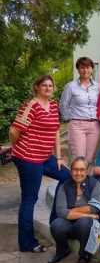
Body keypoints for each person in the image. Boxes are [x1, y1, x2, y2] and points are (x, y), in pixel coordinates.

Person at [10, 75, 71, 252]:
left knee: (67, 177)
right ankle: (27, 243)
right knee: (30, 199)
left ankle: (54, 220)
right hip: (28, 158)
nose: (48, 88)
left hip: (45, 157)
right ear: (36, 87)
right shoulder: (31, 105)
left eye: (50, 85)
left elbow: (56, 132)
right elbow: (14, 130)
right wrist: (21, 148)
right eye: (44, 85)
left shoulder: (52, 105)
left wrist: (59, 158)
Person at [48, 157, 100, 263]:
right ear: (70, 170)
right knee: (56, 224)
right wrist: (87, 214)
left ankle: (84, 255)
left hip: (87, 226)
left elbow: (95, 208)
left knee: (84, 222)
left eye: (82, 169)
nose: (78, 173)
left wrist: (71, 210)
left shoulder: (95, 184)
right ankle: (62, 250)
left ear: (87, 170)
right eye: (75, 169)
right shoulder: (64, 186)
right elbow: (60, 212)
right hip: (69, 223)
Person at [59, 57, 100, 169]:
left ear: (92, 69)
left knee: (90, 158)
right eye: (82, 67)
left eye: (88, 67)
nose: (85, 70)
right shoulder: (70, 86)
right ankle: (75, 184)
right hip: (78, 125)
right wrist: (70, 118)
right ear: (78, 70)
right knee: (78, 158)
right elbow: (63, 105)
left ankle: (86, 184)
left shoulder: (97, 87)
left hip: (94, 125)